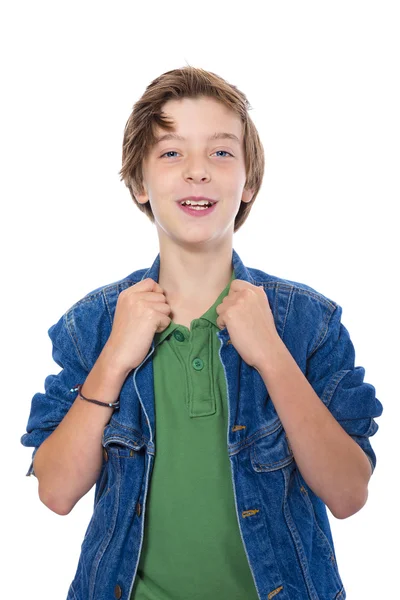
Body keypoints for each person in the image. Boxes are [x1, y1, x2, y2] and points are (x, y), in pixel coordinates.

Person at [20, 66, 383, 600]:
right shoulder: (94, 325)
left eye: (220, 152)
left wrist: (272, 357)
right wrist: (115, 357)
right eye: (171, 153)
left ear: (249, 181)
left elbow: (350, 493)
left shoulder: (308, 322)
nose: (197, 172)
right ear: (140, 183)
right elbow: (55, 491)